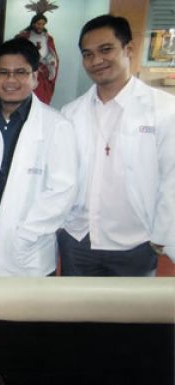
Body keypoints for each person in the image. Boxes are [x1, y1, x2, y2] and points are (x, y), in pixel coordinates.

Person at [58, 15, 175, 276]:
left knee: (130, 316)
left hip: (136, 241)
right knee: (73, 314)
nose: (96, 61)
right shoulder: (70, 113)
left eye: (106, 49)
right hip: (78, 238)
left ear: (129, 50)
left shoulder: (164, 109)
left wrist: (163, 233)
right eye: (88, 54)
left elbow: (172, 178)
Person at [0, 38, 77, 277]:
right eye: (3, 72)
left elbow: (63, 190)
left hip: (27, 245)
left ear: (36, 77)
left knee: (25, 312)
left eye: (21, 72)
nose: (11, 80)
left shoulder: (56, 125)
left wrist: (25, 234)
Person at [17, 13, 59, 104]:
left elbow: (51, 54)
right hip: (27, 69)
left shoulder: (48, 38)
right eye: (39, 24)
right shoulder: (24, 37)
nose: (41, 26)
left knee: (41, 97)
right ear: (33, 24)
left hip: (42, 72)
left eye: (43, 24)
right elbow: (17, 53)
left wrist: (51, 62)